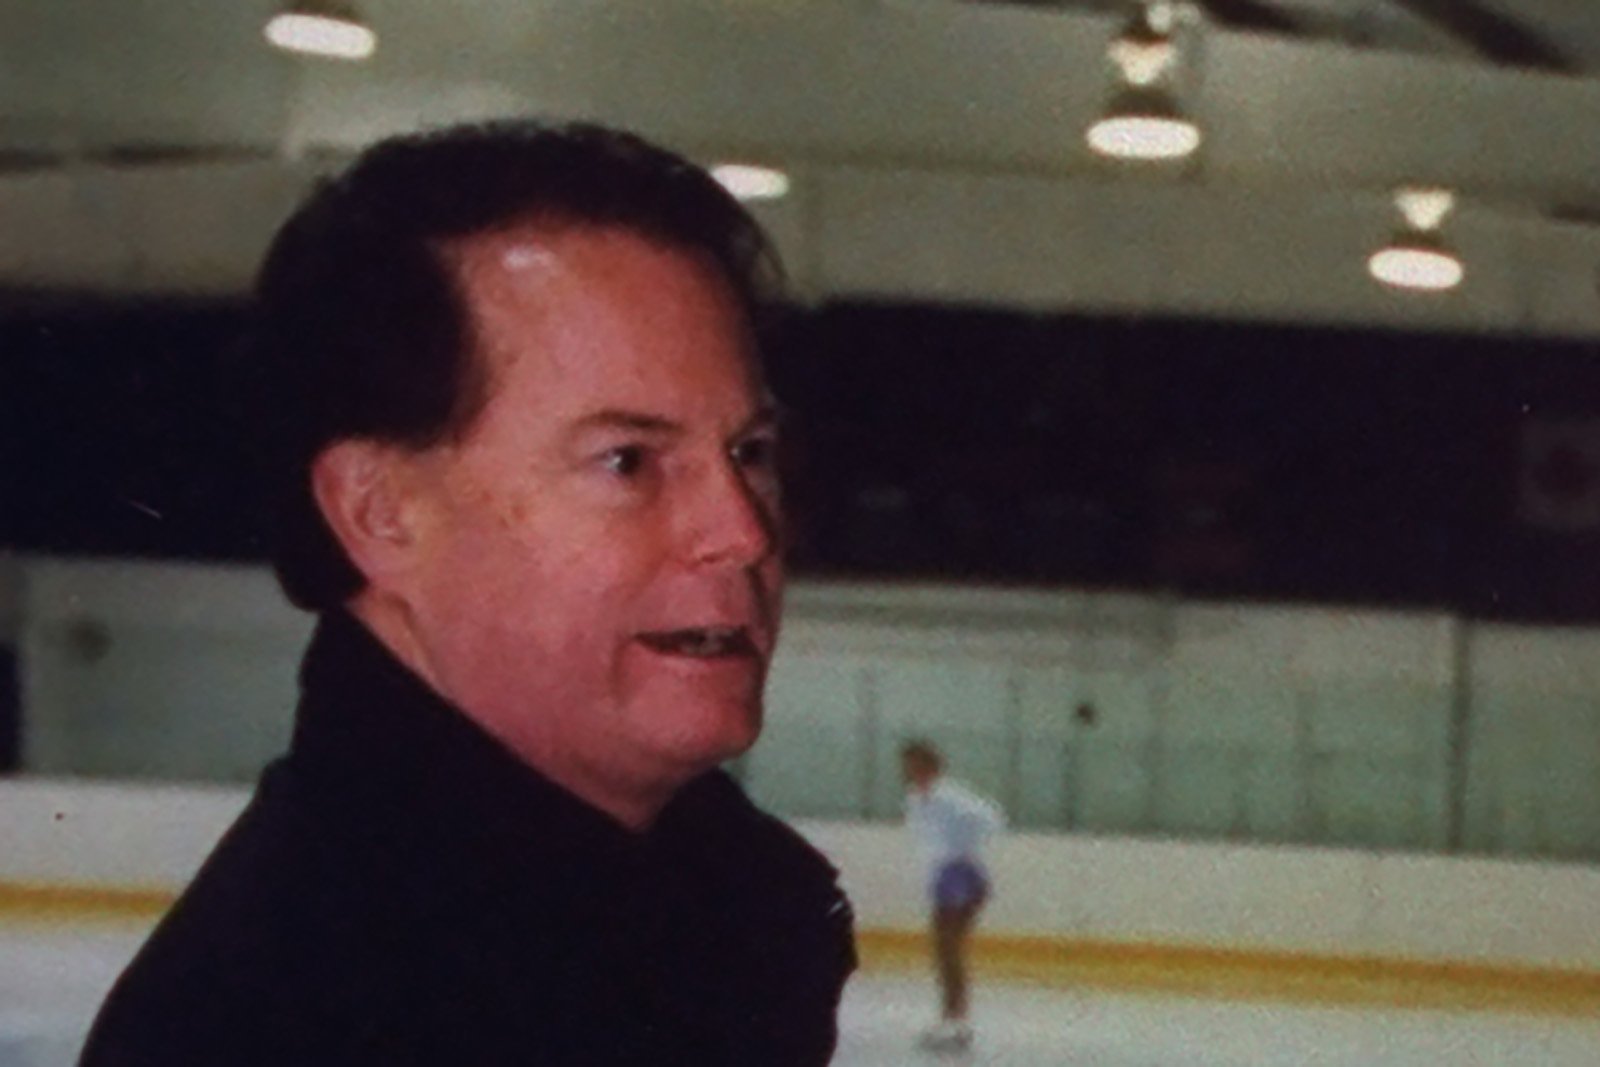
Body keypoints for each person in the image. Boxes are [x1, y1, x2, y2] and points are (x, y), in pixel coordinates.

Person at [79, 121, 855, 1066]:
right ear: (380, 511)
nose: (743, 531)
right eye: (628, 460)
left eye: (751, 452)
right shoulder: (280, 1015)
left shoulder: (732, 908)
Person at [901, 739, 1004, 1053]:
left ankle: (956, 1022)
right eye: (908, 764)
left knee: (949, 950)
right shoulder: (917, 798)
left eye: (917, 763)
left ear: (933, 765)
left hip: (961, 874)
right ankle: (953, 1020)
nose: (910, 770)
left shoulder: (949, 796)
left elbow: (991, 818)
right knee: (944, 951)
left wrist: (963, 850)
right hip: (944, 876)